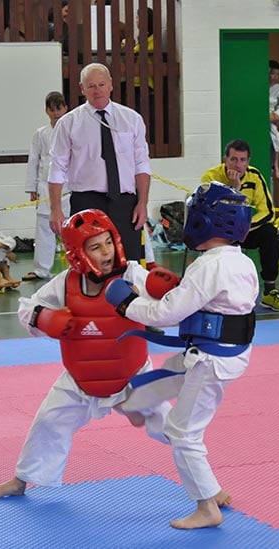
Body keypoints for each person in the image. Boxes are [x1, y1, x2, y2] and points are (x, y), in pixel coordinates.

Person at [0, 209, 171, 501]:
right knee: (48, 422)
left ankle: (206, 487)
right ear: (78, 254)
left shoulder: (133, 274)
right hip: (80, 380)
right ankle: (20, 481)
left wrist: (160, 295)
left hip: (132, 376)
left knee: (173, 426)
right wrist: (44, 318)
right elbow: (27, 308)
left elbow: (168, 308)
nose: (105, 251)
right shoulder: (66, 282)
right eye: (95, 247)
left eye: (108, 242)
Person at [105, 182, 257, 529]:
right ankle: (137, 405)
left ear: (204, 221)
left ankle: (207, 506)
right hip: (224, 354)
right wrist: (150, 283)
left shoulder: (208, 267)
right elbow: (195, 302)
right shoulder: (241, 261)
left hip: (209, 360)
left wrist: (127, 304)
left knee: (183, 432)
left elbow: (166, 314)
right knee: (167, 378)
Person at [48, 62, 151, 262]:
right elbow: (57, 169)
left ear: (111, 84)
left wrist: (143, 202)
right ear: (82, 88)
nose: (97, 91)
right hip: (86, 201)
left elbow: (142, 164)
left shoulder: (132, 119)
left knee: (128, 261)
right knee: (90, 261)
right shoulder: (68, 123)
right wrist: (55, 210)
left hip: (125, 202)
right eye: (91, 86)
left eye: (102, 84)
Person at [201, 140, 279, 311]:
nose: (238, 165)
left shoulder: (254, 176)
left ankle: (270, 291)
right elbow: (208, 212)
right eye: (233, 159)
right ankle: (212, 292)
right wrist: (235, 189)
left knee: (269, 232)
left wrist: (245, 227)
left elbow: (268, 212)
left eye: (242, 160)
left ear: (248, 162)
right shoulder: (210, 178)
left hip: (245, 230)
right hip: (219, 232)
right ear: (225, 160)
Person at [23, 91, 69, 282]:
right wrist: (32, 187)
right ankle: (41, 270)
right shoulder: (40, 133)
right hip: (45, 186)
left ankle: (77, 266)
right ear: (46, 111)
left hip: (69, 188)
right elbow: (33, 160)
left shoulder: (72, 129)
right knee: (44, 227)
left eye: (58, 108)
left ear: (65, 108)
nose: (55, 113)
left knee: (71, 227)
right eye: (52, 109)